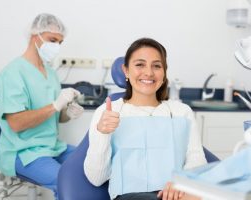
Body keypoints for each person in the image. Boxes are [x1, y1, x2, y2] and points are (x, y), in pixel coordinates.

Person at [84, 38, 206, 200]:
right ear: (126, 71)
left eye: (156, 66)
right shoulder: (109, 112)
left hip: (178, 194)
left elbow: (197, 160)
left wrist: (182, 181)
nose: (148, 72)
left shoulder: (181, 112)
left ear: (164, 73)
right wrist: (102, 133)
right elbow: (96, 178)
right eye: (140, 64)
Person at [0, 13, 84, 199]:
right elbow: (17, 123)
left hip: (53, 146)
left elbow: (56, 116)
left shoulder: (50, 73)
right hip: (23, 151)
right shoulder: (12, 73)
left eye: (60, 42)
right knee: (69, 183)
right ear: (35, 35)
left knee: (93, 165)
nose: (56, 47)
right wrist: (55, 105)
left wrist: (68, 112)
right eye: (53, 40)